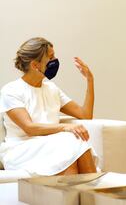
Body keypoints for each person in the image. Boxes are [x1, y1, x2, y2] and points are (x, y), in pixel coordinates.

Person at [0, 37, 97, 176]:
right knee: (71, 140)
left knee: (71, 142)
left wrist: (90, 80)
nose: (55, 61)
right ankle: (91, 192)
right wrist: (65, 127)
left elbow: (85, 115)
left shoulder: (51, 89)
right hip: (22, 148)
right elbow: (29, 128)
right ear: (35, 65)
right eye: (51, 57)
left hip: (52, 144)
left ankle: (85, 192)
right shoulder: (11, 91)